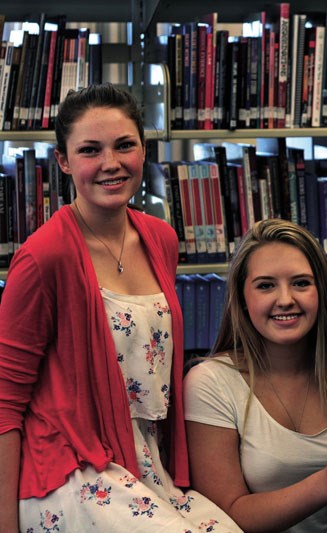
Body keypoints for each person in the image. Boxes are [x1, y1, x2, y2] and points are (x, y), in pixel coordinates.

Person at [0, 83, 241, 531]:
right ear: (64, 161)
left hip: (146, 464)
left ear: (143, 151)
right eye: (90, 150)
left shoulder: (160, 238)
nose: (110, 163)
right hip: (70, 470)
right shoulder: (42, 257)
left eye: (124, 145)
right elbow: (4, 401)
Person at [183, 218, 327, 532]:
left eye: (301, 283)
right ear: (243, 299)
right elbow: (225, 516)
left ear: (322, 293)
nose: (286, 299)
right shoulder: (210, 383)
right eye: (265, 285)